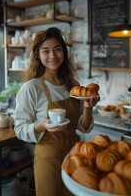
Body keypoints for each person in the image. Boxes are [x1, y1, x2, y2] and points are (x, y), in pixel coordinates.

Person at [14, 27, 100, 196]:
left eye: (57, 49)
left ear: (64, 52)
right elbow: (19, 129)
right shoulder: (32, 88)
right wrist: (41, 126)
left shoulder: (73, 85)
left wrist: (89, 107)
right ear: (38, 55)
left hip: (75, 154)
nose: (52, 56)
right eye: (46, 51)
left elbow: (83, 126)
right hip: (48, 157)